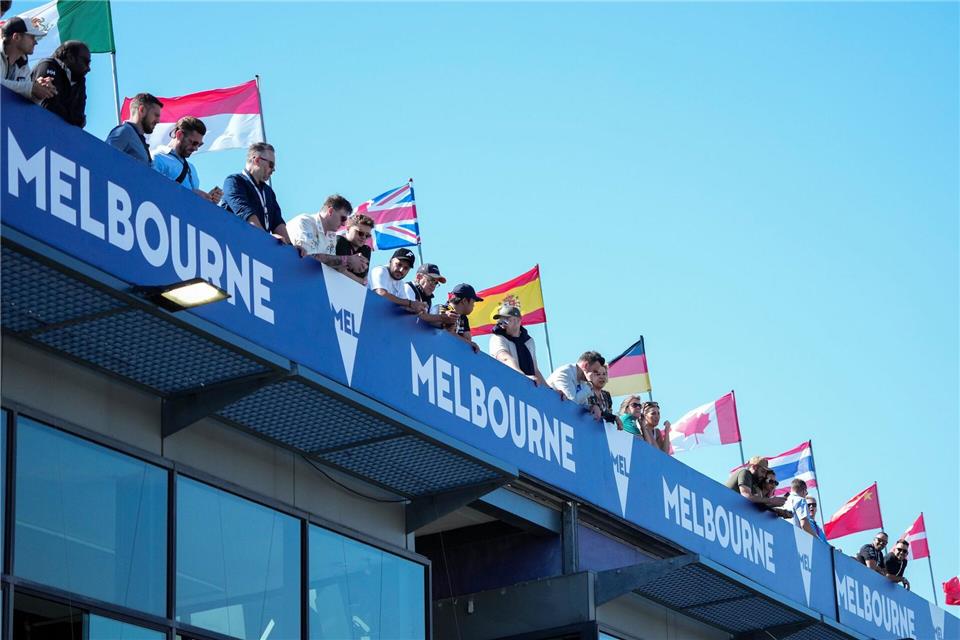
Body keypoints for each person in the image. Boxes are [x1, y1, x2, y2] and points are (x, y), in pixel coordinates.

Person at [220, 142, 291, 245]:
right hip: (233, 245)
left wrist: (292, 248)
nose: (273, 170)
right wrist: (267, 237)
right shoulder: (234, 181)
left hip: (257, 249)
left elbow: (277, 222)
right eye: (271, 165)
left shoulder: (268, 192)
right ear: (257, 160)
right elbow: (246, 214)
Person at [152, 117, 222, 203]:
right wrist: (191, 194)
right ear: (179, 135)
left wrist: (207, 200)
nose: (196, 148)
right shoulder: (157, 158)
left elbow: (190, 205)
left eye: (199, 145)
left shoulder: (192, 169)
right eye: (194, 143)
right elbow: (152, 189)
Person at [287, 195, 360, 272]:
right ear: (330, 211)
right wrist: (346, 260)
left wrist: (346, 265)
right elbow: (306, 257)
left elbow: (329, 266)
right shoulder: (305, 221)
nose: (343, 224)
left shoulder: (331, 236)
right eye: (343, 218)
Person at [488, 303, 549, 387]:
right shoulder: (497, 338)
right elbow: (504, 358)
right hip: (505, 386)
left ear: (518, 320)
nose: (502, 325)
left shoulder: (529, 342)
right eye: (500, 321)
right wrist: (523, 377)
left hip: (527, 388)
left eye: (505, 320)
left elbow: (535, 370)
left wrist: (550, 389)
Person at [30, 39, 88, 127]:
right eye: (86, 62)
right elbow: (48, 107)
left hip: (58, 135)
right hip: (33, 128)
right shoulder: (48, 65)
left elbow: (80, 120)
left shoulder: (79, 80)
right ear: (71, 57)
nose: (88, 68)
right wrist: (72, 117)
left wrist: (73, 118)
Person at [1, 16, 56, 102]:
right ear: (16, 37)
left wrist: (40, 93)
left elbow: (24, 102)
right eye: (32, 37)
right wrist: (31, 88)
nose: (36, 42)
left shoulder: (23, 66)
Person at [105, 92, 162, 164]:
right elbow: (104, 159)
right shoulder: (124, 132)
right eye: (156, 115)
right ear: (142, 110)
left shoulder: (138, 138)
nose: (158, 121)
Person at [547, 351, 607, 418]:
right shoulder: (564, 373)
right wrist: (589, 386)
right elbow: (571, 403)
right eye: (594, 371)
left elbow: (582, 405)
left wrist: (592, 407)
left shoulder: (583, 381)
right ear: (586, 365)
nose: (595, 375)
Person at [369, 249, 425, 314]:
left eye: (406, 268)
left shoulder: (400, 283)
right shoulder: (380, 270)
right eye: (399, 264)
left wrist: (418, 308)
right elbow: (381, 294)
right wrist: (410, 303)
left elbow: (404, 305)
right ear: (390, 260)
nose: (401, 270)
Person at [403, 264, 456, 328]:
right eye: (431, 280)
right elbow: (414, 316)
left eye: (436, 283)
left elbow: (428, 321)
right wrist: (441, 317)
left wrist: (447, 323)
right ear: (418, 277)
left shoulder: (428, 299)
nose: (433, 285)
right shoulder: (408, 287)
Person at [439, 284, 483, 352]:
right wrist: (470, 343)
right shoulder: (442, 310)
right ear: (464, 301)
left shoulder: (463, 318)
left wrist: (469, 343)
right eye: (473, 302)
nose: (473, 306)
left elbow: (467, 340)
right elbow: (446, 333)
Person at [335, 214, 374, 283]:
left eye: (367, 235)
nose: (364, 237)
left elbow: (363, 276)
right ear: (348, 229)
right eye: (360, 233)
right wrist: (360, 280)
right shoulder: (340, 241)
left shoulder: (366, 250)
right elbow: (339, 269)